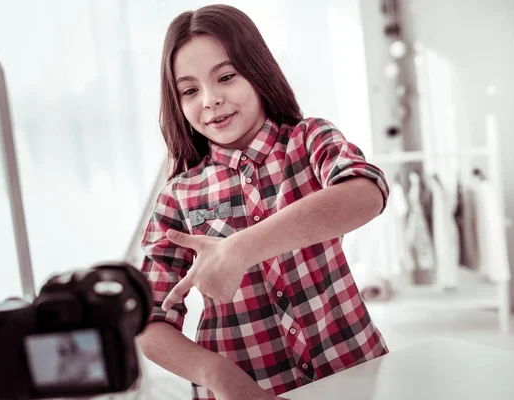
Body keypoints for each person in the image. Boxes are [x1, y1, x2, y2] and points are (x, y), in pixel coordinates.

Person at [138, 4, 390, 400]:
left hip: (354, 370)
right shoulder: (178, 195)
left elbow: (366, 192)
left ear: (257, 72)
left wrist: (239, 249)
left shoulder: (309, 141)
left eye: (225, 77)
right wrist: (216, 374)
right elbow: (149, 322)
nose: (210, 99)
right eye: (189, 90)